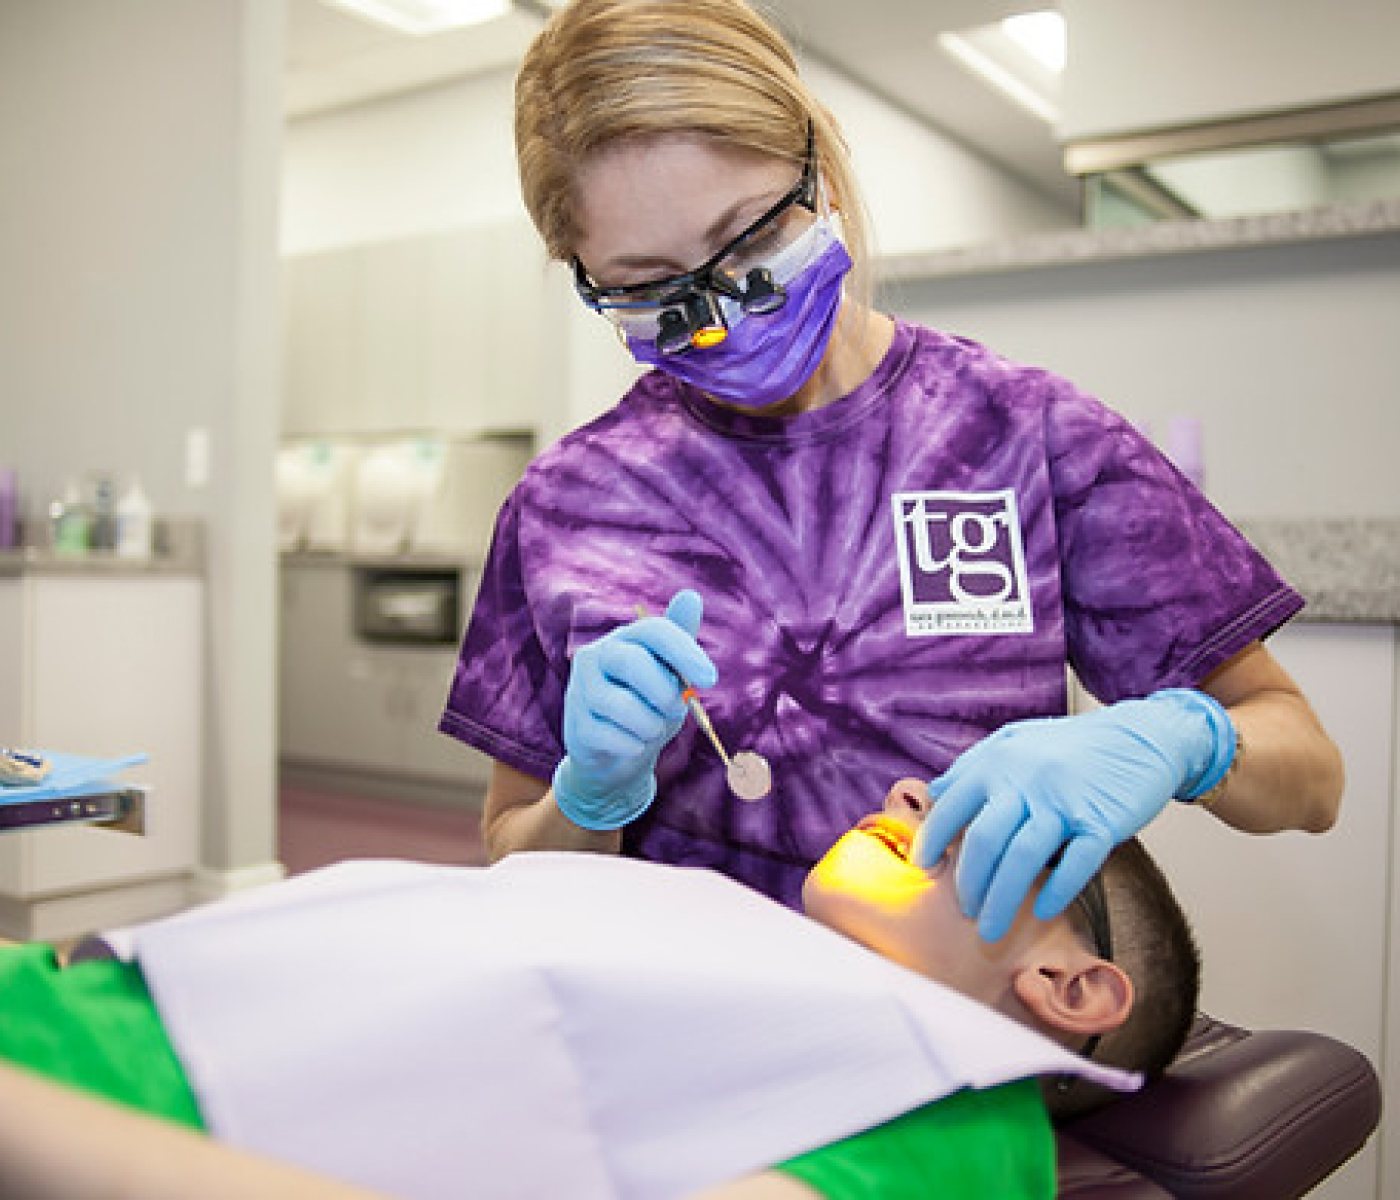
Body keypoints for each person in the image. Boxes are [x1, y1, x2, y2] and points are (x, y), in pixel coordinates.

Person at [439, 0, 1343, 937]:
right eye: (651, 289)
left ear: (820, 175)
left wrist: (1187, 740)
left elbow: (1310, 777)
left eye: (749, 239)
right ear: (588, 277)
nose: (721, 317)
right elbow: (514, 854)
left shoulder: (1022, 433)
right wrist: (586, 803)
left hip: (962, 1042)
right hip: (683, 1035)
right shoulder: (567, 506)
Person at [0, 781, 1197, 1200]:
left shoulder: (956, 1119)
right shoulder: (757, 953)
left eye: (983, 818)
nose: (902, 795)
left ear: (1068, 985)